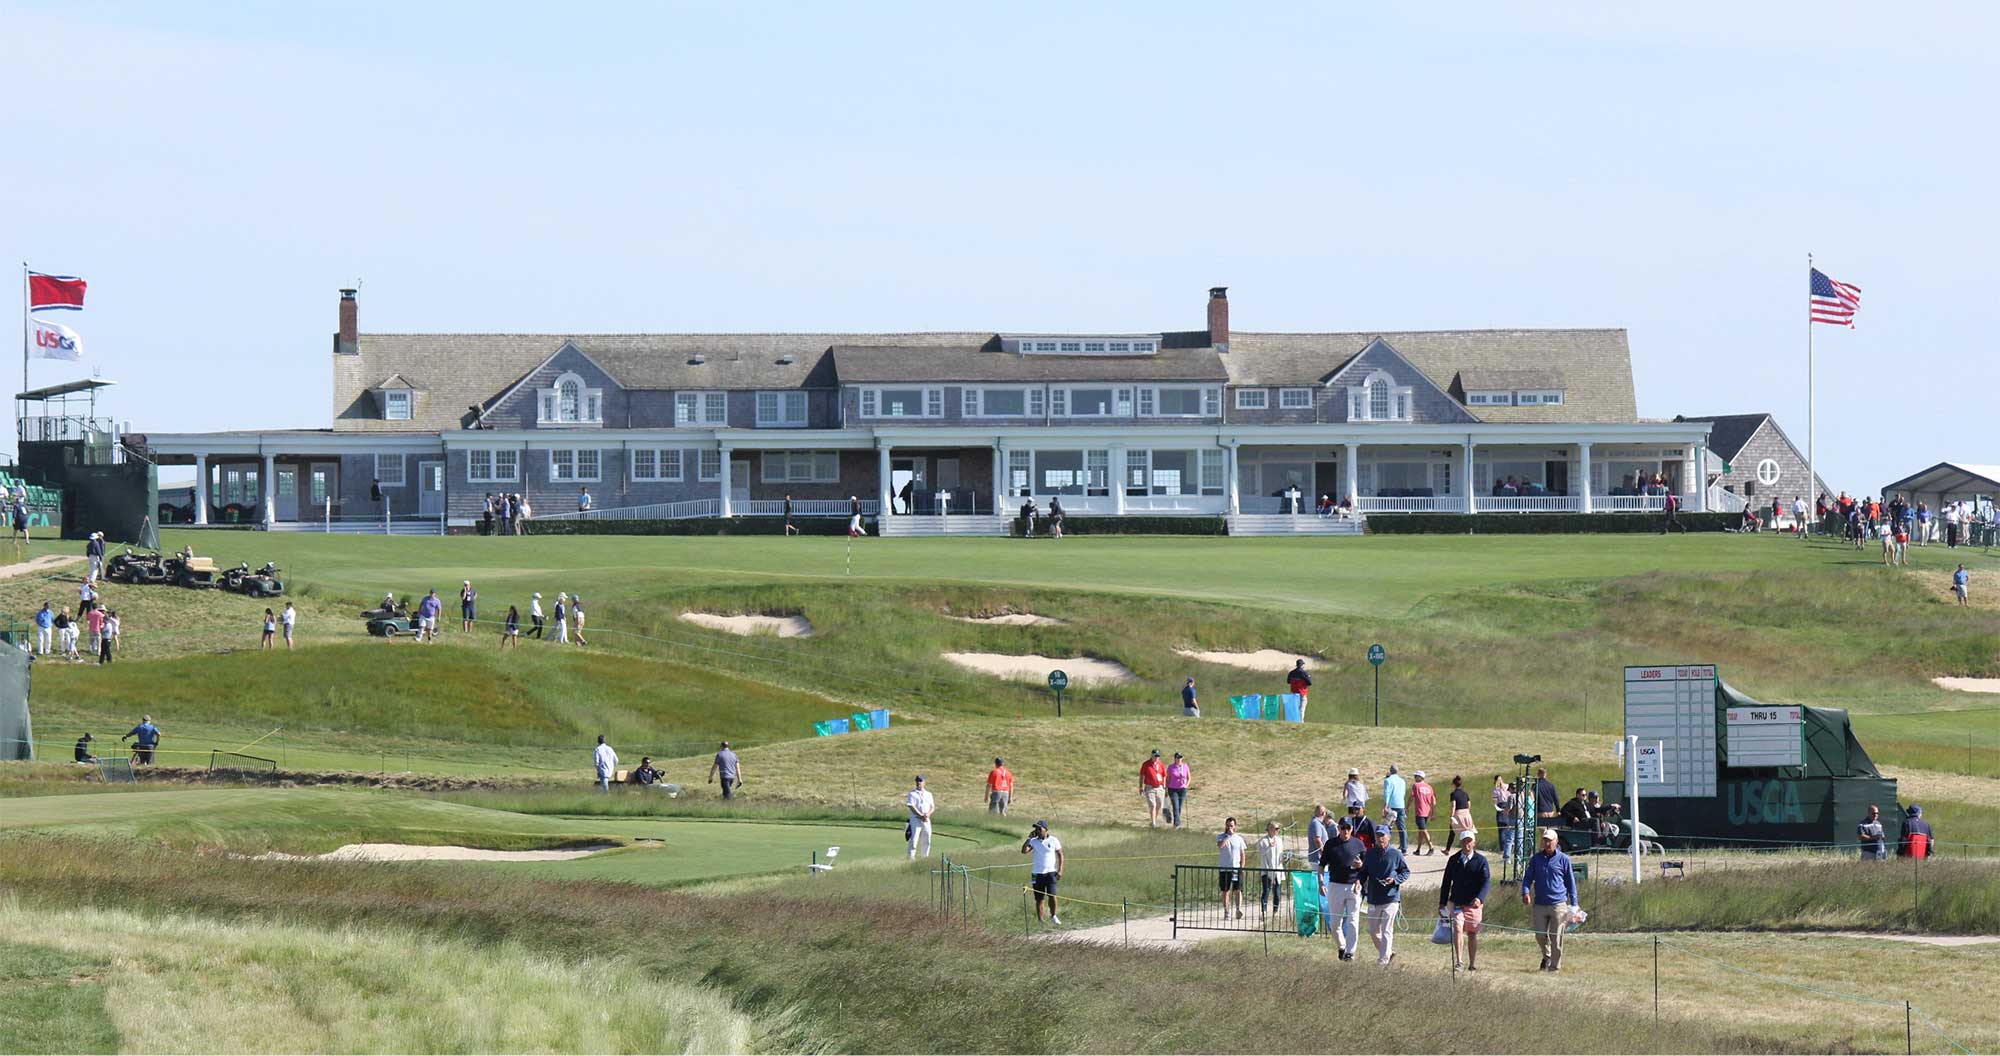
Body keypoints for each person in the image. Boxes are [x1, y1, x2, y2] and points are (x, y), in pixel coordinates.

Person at [1521, 828, 1579, 971]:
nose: (1547, 843)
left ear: (1556, 842)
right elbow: (1527, 878)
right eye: (1545, 840)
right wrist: (1525, 892)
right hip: (1540, 904)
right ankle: (1547, 957)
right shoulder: (1536, 859)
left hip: (1558, 904)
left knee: (1556, 938)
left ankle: (1555, 967)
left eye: (1550, 841)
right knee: (1540, 935)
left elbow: (1570, 882)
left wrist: (1574, 904)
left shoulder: (1564, 859)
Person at [1439, 830, 1491, 971]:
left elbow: (1486, 882)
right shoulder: (1454, 860)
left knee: (1472, 933)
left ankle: (1472, 964)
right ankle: (1459, 961)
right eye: (1464, 841)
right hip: (1457, 902)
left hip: (1473, 905)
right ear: (1460, 843)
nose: (1466, 844)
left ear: (1474, 843)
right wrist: (1442, 903)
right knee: (1458, 928)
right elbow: (1446, 882)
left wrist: (1480, 898)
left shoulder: (1481, 861)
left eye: (1469, 841)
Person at [1361, 826, 1409, 966]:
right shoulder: (1370, 853)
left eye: (1383, 835)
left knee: (1386, 929)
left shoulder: (1396, 854)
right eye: (1378, 836)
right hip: (1373, 897)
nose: (1380, 838)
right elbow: (1364, 872)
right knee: (1373, 932)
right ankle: (1388, 952)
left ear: (1389, 837)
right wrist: (1358, 882)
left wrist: (1394, 880)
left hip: (1391, 898)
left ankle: (1383, 961)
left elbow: (1405, 872)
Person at [1322, 816, 1367, 960]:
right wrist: (1321, 883)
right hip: (1335, 886)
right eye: (1343, 828)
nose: (1346, 831)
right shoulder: (1331, 844)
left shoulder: (1358, 844)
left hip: (1354, 887)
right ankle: (1342, 947)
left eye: (1348, 828)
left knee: (1353, 921)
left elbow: (1366, 867)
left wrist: (1361, 870)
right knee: (1335, 923)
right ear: (1338, 828)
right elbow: (1321, 865)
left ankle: (1350, 953)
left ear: (1352, 829)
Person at [1023, 820, 1064, 925]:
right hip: (1037, 873)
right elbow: (1024, 851)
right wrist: (1028, 838)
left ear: (1045, 829)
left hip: (1051, 872)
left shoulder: (1053, 840)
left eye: (1039, 828)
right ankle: (1041, 921)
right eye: (1036, 828)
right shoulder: (1033, 841)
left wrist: (1060, 870)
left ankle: (1053, 916)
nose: (1037, 830)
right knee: (1039, 898)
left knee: (1052, 895)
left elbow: (1060, 854)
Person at [1215, 816, 1247, 920]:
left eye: (1231, 826)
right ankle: (1226, 911)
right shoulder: (1221, 837)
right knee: (1225, 891)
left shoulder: (1239, 838)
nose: (1230, 827)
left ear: (1235, 826)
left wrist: (1242, 866)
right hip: (1225, 868)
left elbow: (1242, 853)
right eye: (1228, 825)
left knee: (1238, 889)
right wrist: (1227, 837)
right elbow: (1220, 846)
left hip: (1236, 868)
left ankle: (1238, 909)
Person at [1256, 821, 1287, 917]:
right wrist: (1269, 847)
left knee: (1277, 892)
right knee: (1266, 891)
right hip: (1267, 869)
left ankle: (1275, 911)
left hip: (1278, 869)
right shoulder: (1263, 841)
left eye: (1278, 829)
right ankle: (1264, 911)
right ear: (1269, 829)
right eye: (1275, 828)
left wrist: (1284, 858)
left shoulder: (1279, 840)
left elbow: (1280, 854)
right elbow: (1260, 854)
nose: (1277, 830)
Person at [905, 775, 935, 859]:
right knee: (914, 839)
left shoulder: (929, 794)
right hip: (916, 819)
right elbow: (911, 806)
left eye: (920, 781)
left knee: (927, 838)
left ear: (924, 782)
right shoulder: (912, 794)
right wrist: (920, 815)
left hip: (926, 819)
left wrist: (927, 814)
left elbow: (932, 807)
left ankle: (925, 857)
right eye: (917, 781)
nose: (919, 783)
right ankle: (911, 857)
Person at [1382, 764, 1409, 853]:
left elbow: (1387, 793)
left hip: (1392, 805)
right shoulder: (1402, 781)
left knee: (1388, 826)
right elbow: (1403, 793)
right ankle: (1404, 847)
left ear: (1390, 770)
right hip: (1400, 804)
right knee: (1402, 827)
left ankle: (1387, 845)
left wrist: (1385, 805)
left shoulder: (1388, 780)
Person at [1410, 771, 1437, 855]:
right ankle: (1418, 849)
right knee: (1421, 831)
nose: (1415, 778)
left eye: (1416, 776)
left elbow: (1411, 797)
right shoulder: (1429, 787)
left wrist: (1407, 807)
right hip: (1427, 811)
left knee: (1423, 830)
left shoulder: (1415, 786)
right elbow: (1433, 800)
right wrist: (1433, 813)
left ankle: (1431, 847)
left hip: (1420, 811)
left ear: (1420, 777)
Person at [1493, 775, 1519, 861]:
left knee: (1502, 830)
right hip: (1510, 806)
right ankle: (1511, 847)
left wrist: (1499, 808)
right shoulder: (1508, 786)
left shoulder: (1496, 789)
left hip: (1502, 807)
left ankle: (1503, 849)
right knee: (1509, 828)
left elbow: (1495, 802)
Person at [1140, 749, 1168, 827]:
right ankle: (1153, 824)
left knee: (1159, 805)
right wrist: (1141, 787)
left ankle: (1153, 819)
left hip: (1160, 787)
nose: (1156, 757)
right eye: (1155, 756)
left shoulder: (1161, 764)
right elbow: (1142, 776)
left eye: (1158, 756)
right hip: (1150, 788)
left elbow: (1164, 775)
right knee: (1152, 805)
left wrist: (1164, 786)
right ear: (1151, 755)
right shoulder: (1146, 764)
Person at [1165, 752, 1191, 828]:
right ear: (1175, 758)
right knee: (1175, 806)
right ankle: (1177, 824)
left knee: (1179, 807)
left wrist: (1186, 785)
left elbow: (1189, 777)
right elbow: (1168, 778)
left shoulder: (1185, 766)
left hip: (1182, 789)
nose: (1179, 759)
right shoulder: (1171, 767)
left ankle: (1176, 823)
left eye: (1180, 757)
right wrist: (1166, 787)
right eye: (1177, 757)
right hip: (1172, 789)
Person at [1447, 775, 1473, 845]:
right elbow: (1469, 804)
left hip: (1458, 814)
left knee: (1452, 831)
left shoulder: (1453, 794)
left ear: (1454, 785)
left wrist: (1452, 816)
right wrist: (1467, 812)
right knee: (1468, 831)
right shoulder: (1465, 793)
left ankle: (1448, 848)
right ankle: (1470, 845)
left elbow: (1453, 805)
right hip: (1467, 814)